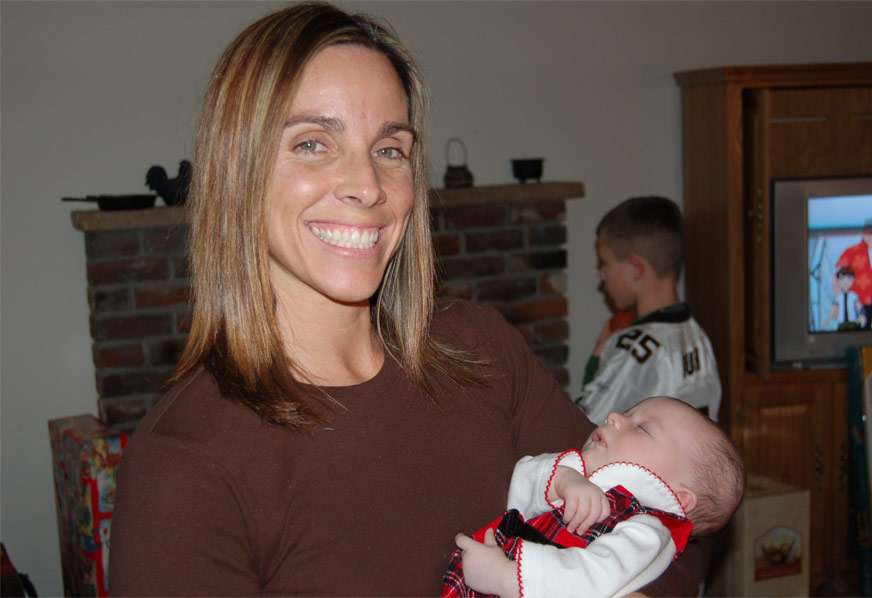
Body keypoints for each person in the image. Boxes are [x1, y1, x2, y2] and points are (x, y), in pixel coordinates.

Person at [106, 4, 704, 596]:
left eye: (390, 149)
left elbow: (673, 517)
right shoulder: (183, 465)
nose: (367, 186)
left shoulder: (481, 349)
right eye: (312, 143)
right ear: (237, 170)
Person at [444, 396, 745, 598]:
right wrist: (564, 479)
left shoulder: (648, 533)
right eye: (628, 412)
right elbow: (521, 485)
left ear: (679, 497)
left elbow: (591, 580)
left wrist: (505, 577)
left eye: (642, 428)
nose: (614, 417)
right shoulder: (583, 476)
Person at [577, 196, 721, 424]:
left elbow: (584, 425)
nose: (602, 273)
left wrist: (597, 359)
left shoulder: (633, 349)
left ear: (635, 269)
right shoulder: (699, 337)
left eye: (604, 262)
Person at [823, 266, 865, 331]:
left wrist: (861, 316)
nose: (845, 282)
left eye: (849, 279)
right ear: (838, 281)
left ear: (853, 280)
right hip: (841, 322)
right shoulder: (839, 297)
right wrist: (828, 319)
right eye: (842, 279)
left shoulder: (853, 295)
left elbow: (859, 306)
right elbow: (834, 308)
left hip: (852, 322)